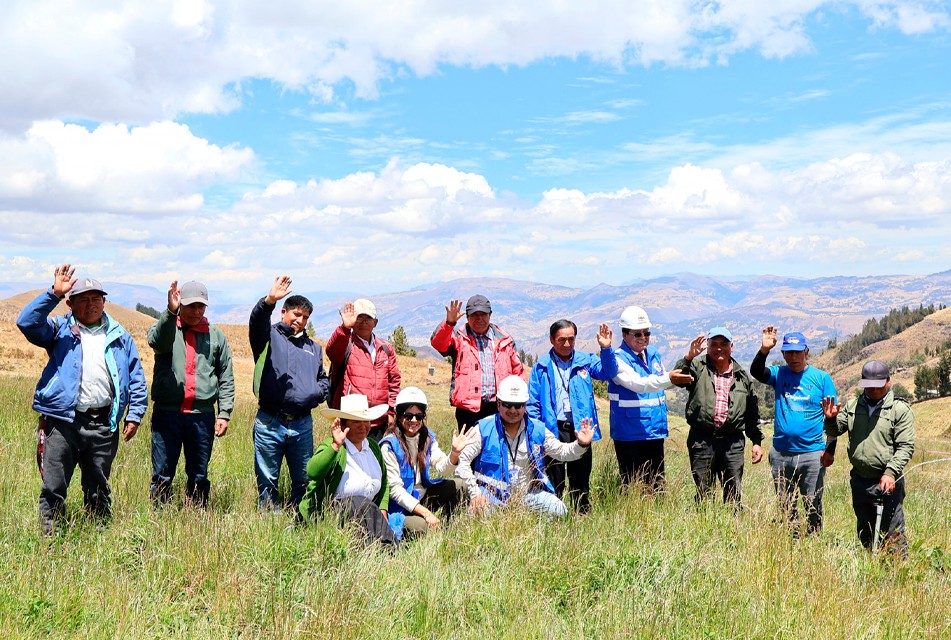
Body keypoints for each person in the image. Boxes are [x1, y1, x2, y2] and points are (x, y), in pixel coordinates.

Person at [16, 265, 147, 533]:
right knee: (54, 486)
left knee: (98, 488)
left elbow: (136, 377)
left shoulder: (120, 336)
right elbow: (26, 322)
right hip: (63, 422)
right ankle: (49, 541)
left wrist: (134, 415)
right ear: (71, 303)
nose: (91, 305)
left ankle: (98, 538)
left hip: (102, 423)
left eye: (96, 299)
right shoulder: (60, 330)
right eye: (84, 300)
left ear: (104, 302)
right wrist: (52, 293)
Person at [147, 280, 235, 507]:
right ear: (180, 305)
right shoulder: (167, 329)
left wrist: (224, 412)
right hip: (167, 415)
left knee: (198, 474)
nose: (196, 312)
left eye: (201, 307)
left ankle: (196, 518)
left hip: (201, 415)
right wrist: (170, 312)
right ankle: (160, 519)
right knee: (163, 473)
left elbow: (225, 375)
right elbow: (157, 341)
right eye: (190, 306)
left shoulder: (216, 336)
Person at [456, 375, 595, 517]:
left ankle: (538, 535)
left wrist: (581, 444)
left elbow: (561, 452)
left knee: (559, 511)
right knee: (478, 515)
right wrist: (475, 493)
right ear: (498, 403)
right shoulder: (483, 428)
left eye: (518, 405)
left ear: (525, 406)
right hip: (491, 496)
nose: (513, 410)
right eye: (507, 404)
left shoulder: (538, 429)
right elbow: (462, 461)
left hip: (528, 495)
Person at [249, 275, 330, 511]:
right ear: (283, 312)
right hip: (269, 422)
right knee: (267, 482)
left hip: (302, 425)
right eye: (296, 314)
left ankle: (300, 522)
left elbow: (323, 379)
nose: (300, 320)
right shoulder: (268, 337)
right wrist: (268, 301)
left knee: (304, 480)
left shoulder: (313, 348)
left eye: (305, 317)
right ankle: (269, 526)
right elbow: (257, 321)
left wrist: (316, 392)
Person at [823, 361, 915, 556]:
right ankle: (869, 566)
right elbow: (835, 430)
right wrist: (830, 419)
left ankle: (896, 573)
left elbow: (905, 447)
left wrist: (890, 472)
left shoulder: (899, 409)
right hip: (859, 480)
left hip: (887, 482)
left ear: (888, 382)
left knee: (892, 532)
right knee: (865, 529)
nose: (873, 390)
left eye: (878, 385)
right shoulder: (853, 405)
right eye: (869, 386)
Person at [751, 327, 837, 534]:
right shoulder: (779, 374)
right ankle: (792, 539)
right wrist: (764, 350)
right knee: (785, 504)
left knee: (813, 503)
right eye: (789, 352)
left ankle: (814, 539)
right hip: (781, 454)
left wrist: (830, 450)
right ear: (783, 354)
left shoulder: (822, 379)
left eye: (798, 352)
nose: (793, 356)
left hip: (812, 454)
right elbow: (756, 372)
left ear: (806, 352)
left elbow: (833, 417)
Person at [526, 319, 618, 512]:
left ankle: (581, 516)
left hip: (580, 428)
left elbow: (608, 372)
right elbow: (533, 402)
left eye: (571, 339)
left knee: (581, 479)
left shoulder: (585, 361)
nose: (567, 344)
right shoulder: (541, 367)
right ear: (552, 340)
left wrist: (606, 349)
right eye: (561, 340)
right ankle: (555, 515)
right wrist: (537, 430)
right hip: (552, 430)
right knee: (554, 479)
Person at [673, 327, 763, 505]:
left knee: (733, 492)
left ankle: (732, 527)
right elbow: (677, 378)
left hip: (733, 443)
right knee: (703, 491)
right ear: (707, 346)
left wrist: (757, 441)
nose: (719, 348)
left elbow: (752, 413)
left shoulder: (742, 376)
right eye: (714, 344)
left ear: (732, 346)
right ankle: (704, 525)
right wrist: (688, 357)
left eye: (724, 344)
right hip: (702, 440)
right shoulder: (698, 368)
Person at [607, 306, 693, 491]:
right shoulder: (617, 359)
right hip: (630, 433)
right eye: (637, 334)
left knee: (657, 485)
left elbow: (659, 383)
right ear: (624, 334)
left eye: (647, 332)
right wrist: (669, 378)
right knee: (632, 486)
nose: (643, 337)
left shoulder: (653, 353)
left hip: (654, 430)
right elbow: (639, 384)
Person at [299, 395, 397, 546]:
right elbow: (312, 471)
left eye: (366, 421)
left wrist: (383, 509)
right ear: (343, 425)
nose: (363, 426)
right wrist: (335, 446)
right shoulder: (332, 447)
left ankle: (386, 548)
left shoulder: (372, 447)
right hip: (332, 515)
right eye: (356, 421)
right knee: (359, 503)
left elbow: (384, 483)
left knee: (366, 507)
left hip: (368, 518)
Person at [379, 387, 476, 539]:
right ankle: (421, 529)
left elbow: (443, 468)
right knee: (422, 528)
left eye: (419, 416)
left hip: (422, 496)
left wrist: (455, 453)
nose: (414, 420)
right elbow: (395, 491)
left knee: (459, 486)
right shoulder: (389, 446)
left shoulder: (427, 438)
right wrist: (426, 513)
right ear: (398, 416)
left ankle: (450, 532)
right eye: (408, 415)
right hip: (400, 507)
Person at [430, 295, 524, 430]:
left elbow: (518, 372)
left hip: (501, 407)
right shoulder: (459, 338)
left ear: (490, 315)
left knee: (498, 448)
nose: (479, 319)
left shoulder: (505, 340)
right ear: (467, 317)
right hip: (468, 410)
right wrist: (449, 323)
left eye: (483, 314)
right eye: (474, 315)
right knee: (469, 449)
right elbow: (438, 344)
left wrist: (517, 400)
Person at [326, 298, 401, 442]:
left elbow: (394, 381)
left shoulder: (385, 348)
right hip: (351, 419)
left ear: (375, 322)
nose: (363, 322)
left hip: (379, 420)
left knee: (377, 461)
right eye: (359, 318)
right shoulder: (346, 345)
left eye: (368, 318)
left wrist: (391, 411)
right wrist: (344, 329)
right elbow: (332, 351)